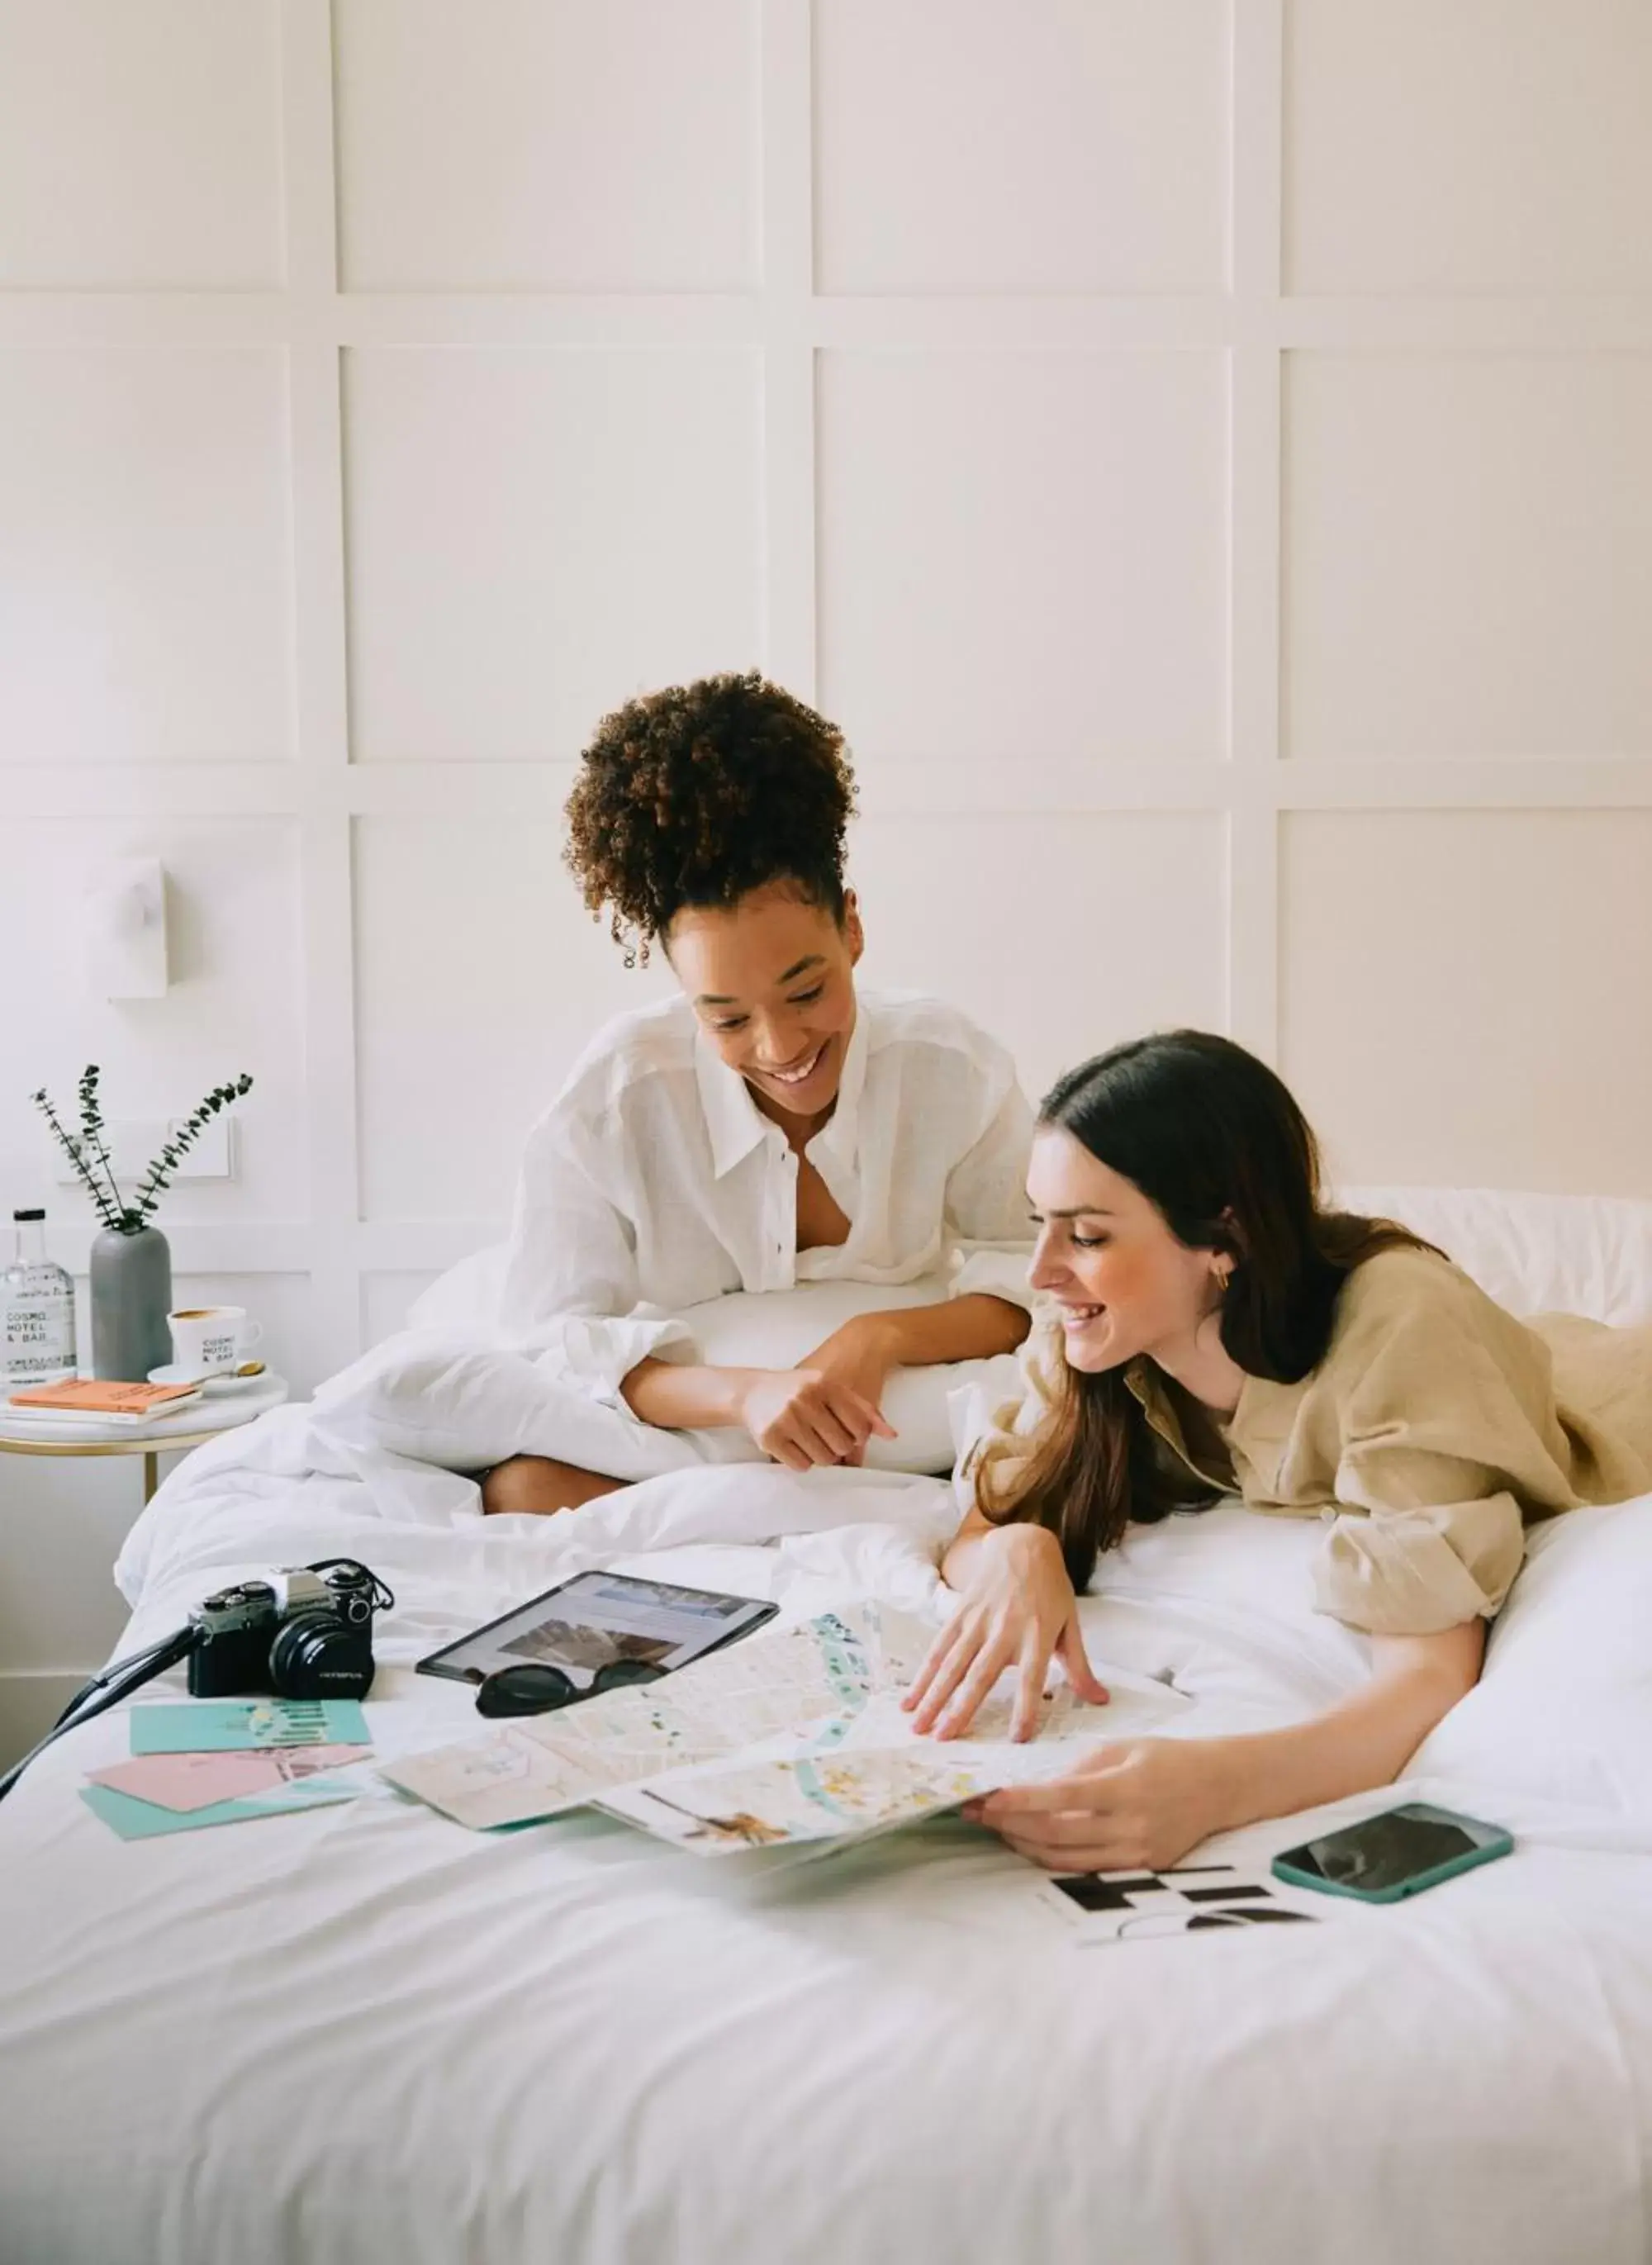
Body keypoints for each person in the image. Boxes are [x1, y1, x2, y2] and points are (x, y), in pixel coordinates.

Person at [904, 1028, 1652, 1872]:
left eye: (1085, 1236)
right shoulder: (1094, 1344)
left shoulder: (1399, 1324)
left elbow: (1426, 1680)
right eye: (1040, 1224)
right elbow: (983, 1525)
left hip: (1622, 1398)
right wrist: (1016, 1549)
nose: (1039, 1271)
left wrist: (1210, 1787)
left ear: (1220, 1238)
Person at [481, 672, 1033, 1517]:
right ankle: (805, 1508)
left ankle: (805, 1509)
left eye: (807, 993)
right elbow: (551, 1340)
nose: (779, 1049)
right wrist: (741, 1398)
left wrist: (872, 1339)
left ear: (850, 927)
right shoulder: (616, 1101)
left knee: (1060, 1447)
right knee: (522, 1486)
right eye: (726, 1017)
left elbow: (1031, 1282)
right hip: (701, 1428)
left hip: (899, 1426)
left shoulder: (948, 1066)